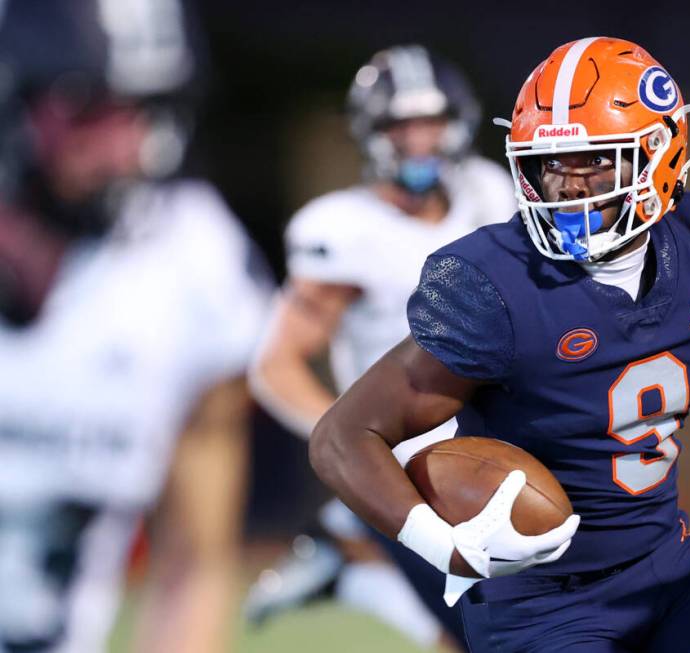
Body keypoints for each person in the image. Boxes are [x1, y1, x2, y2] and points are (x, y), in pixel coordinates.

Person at [308, 36, 690, 652]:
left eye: (594, 160)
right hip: (538, 604)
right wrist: (442, 546)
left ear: (659, 154)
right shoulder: (495, 283)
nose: (568, 185)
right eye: (550, 164)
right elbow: (342, 437)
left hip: (669, 573)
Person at [0, 1, 271, 651]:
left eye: (142, 109)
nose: (126, 145)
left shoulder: (191, 267)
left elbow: (193, 567)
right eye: (87, 105)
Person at [243, 45, 514, 649]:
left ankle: (350, 567)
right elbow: (275, 365)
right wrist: (354, 447)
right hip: (414, 458)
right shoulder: (343, 231)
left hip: (495, 436)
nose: (419, 141)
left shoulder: (491, 194)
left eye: (432, 122)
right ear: (372, 133)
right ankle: (353, 560)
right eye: (400, 125)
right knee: (482, 628)